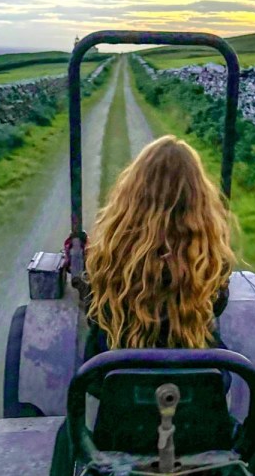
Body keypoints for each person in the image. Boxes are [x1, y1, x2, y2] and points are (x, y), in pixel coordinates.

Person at [83, 134, 235, 356]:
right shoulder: (209, 259)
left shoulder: (108, 252)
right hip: (194, 373)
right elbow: (218, 307)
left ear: (132, 195)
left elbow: (93, 309)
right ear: (199, 199)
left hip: (113, 371)